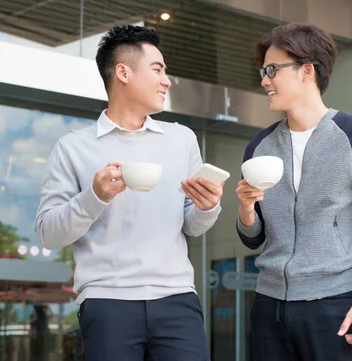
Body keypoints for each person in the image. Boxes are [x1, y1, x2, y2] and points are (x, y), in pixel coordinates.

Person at [35, 25, 224, 361]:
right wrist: (95, 195)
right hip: (107, 302)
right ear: (123, 72)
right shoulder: (72, 148)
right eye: (158, 69)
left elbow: (192, 225)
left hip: (177, 299)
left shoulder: (182, 139)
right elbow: (48, 234)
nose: (167, 80)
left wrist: (207, 207)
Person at [235, 22, 352, 360]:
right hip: (269, 310)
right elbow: (254, 238)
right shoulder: (259, 147)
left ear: (306, 70)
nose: (264, 80)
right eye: (262, 72)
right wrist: (246, 210)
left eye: (272, 70)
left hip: (336, 307)